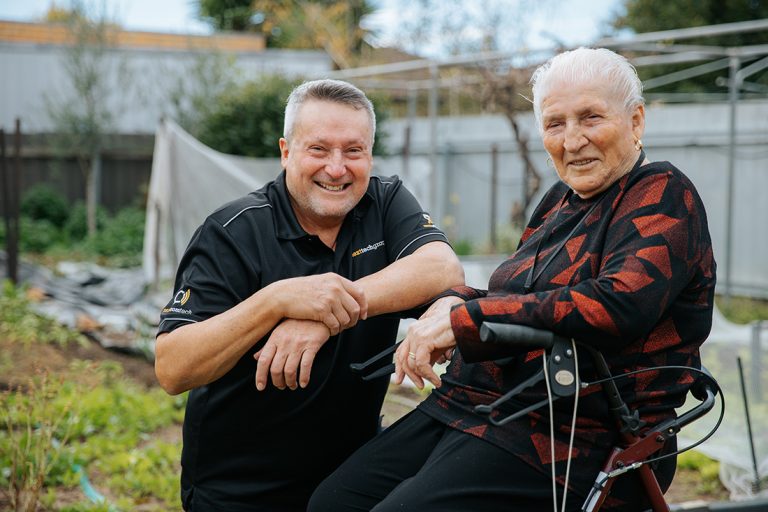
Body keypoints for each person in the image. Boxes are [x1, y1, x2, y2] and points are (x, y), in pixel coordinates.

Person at [308, 48, 716, 512]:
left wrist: (468, 317)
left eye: (591, 118)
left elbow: (617, 304)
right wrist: (453, 302)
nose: (573, 139)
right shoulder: (560, 200)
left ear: (636, 121)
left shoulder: (663, 194)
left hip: (577, 433)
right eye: (555, 123)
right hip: (482, 406)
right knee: (332, 502)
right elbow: (518, 296)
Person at [154, 79, 464, 511]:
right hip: (240, 489)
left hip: (348, 481)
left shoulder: (385, 201)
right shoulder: (234, 231)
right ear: (286, 152)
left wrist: (325, 311)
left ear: (369, 155)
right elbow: (172, 368)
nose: (336, 168)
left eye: (353, 151)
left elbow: (441, 267)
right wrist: (275, 302)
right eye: (318, 149)